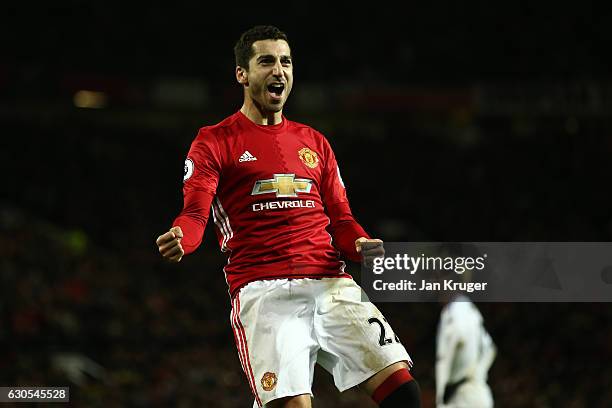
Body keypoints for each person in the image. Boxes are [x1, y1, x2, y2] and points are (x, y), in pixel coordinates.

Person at [155, 25, 420, 408]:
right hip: (265, 290)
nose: (279, 70)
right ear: (241, 74)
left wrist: (359, 243)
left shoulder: (315, 142)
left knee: (404, 393)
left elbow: (342, 219)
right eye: (266, 62)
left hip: (331, 284)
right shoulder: (214, 141)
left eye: (286, 62)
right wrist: (183, 237)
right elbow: (195, 213)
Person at [435, 293, 496, 408]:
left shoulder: (454, 310)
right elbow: (490, 348)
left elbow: (444, 357)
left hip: (465, 398)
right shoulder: (472, 311)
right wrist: (478, 373)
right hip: (480, 392)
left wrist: (439, 399)